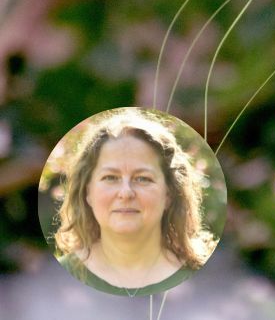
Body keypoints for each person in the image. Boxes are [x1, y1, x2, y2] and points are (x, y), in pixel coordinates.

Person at [54, 109, 215, 297]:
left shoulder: (208, 280)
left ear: (169, 193)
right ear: (87, 192)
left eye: (143, 178)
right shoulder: (54, 283)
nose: (126, 193)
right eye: (110, 177)